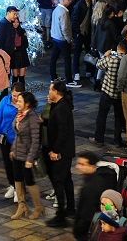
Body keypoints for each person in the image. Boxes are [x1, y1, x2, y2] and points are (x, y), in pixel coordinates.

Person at [44, 80, 76, 228]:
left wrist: (56, 151)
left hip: (62, 152)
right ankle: (70, 209)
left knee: (58, 181)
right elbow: (54, 122)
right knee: (67, 179)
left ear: (56, 92)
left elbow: (63, 131)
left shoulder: (62, 108)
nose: (48, 92)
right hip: (66, 151)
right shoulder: (60, 105)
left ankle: (61, 215)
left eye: (50, 90)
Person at [9, 90, 45, 221]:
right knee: (17, 179)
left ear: (27, 104)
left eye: (20, 101)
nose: (17, 102)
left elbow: (36, 141)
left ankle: (38, 207)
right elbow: (17, 135)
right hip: (17, 153)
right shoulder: (19, 115)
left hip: (26, 155)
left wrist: (30, 158)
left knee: (29, 181)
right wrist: (13, 149)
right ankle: (22, 206)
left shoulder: (33, 118)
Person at [73, 150, 119, 240]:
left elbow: (87, 213)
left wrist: (79, 230)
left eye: (82, 164)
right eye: (78, 163)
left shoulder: (91, 186)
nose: (77, 167)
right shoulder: (95, 180)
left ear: (92, 166)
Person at [90, 39, 127, 147]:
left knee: (102, 115)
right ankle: (117, 140)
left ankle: (99, 138)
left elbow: (98, 65)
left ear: (118, 48)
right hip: (120, 94)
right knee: (119, 118)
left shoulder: (111, 58)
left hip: (107, 91)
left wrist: (105, 56)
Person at [0, 83, 23, 202]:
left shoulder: (24, 104)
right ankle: (12, 185)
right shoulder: (5, 101)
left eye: (18, 95)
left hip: (18, 140)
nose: (15, 98)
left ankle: (19, 189)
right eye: (14, 95)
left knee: (17, 166)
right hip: (4, 138)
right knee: (7, 164)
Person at [49, 0, 78, 85]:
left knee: (54, 57)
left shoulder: (56, 9)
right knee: (67, 59)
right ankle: (69, 80)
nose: (70, 1)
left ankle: (53, 77)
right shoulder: (64, 12)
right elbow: (65, 28)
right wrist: (69, 39)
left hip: (55, 37)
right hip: (62, 39)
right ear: (63, 0)